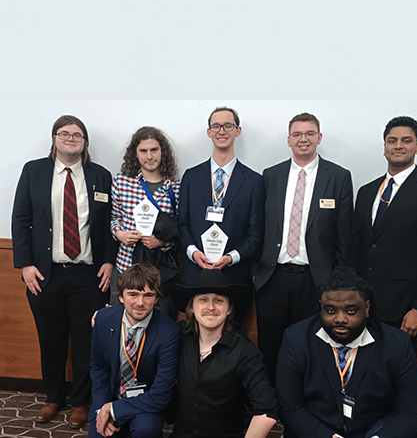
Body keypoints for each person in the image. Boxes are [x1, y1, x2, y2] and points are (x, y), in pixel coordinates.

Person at [12, 114, 118, 428]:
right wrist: (26, 264)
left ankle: (81, 402)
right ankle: (53, 398)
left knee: (87, 341)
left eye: (77, 135)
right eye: (64, 133)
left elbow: (108, 226)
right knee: (51, 338)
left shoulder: (100, 175)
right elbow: (21, 219)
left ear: (85, 143)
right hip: (45, 273)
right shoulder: (35, 171)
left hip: (89, 275)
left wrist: (109, 261)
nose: (70, 138)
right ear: (54, 138)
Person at [254, 112, 353, 384]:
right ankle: (271, 404)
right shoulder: (270, 175)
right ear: (288, 140)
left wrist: (339, 283)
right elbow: (259, 227)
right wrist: (255, 270)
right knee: (270, 346)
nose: (303, 139)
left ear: (319, 138)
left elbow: (344, 237)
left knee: (312, 346)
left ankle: (305, 403)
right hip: (272, 277)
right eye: (297, 134)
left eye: (310, 133)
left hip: (316, 280)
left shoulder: (338, 177)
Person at [276, 266, 417, 438]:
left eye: (351, 311)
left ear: (366, 307)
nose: (340, 319)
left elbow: (414, 413)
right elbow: (291, 407)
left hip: (373, 431)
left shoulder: (396, 344)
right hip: (315, 432)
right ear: (320, 307)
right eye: (330, 311)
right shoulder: (296, 339)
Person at [349, 115, 417, 356]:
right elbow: (357, 248)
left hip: (405, 309)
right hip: (362, 306)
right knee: (360, 374)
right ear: (384, 147)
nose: (398, 145)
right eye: (392, 140)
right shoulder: (366, 191)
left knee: (397, 377)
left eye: (406, 140)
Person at [178, 107, 264, 319]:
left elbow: (255, 235)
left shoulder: (254, 181)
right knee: (193, 341)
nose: (221, 130)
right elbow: (182, 225)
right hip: (195, 274)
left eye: (228, 125)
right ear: (209, 132)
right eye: (216, 126)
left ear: (238, 130)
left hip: (233, 277)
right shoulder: (191, 176)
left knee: (230, 344)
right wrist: (193, 253)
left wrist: (230, 258)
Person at [170, 269, 278, 438]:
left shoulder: (246, 352)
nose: (211, 307)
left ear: (229, 309)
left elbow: (267, 412)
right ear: (191, 307)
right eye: (203, 300)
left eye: (219, 300)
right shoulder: (178, 336)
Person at [89, 263, 180, 438]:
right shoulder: (102, 319)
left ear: (156, 298)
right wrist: (101, 408)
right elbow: (99, 367)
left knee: (146, 430)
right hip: (110, 398)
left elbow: (161, 394)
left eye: (148, 295)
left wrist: (113, 409)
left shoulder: (169, 332)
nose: (140, 303)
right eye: (133, 294)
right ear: (121, 296)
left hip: (147, 404)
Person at [110, 126, 180, 319]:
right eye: (143, 151)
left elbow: (179, 229)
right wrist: (120, 234)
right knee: (119, 324)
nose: (149, 156)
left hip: (158, 272)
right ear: (135, 154)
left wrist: (162, 242)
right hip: (125, 265)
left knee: (159, 326)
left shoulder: (174, 188)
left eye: (154, 150)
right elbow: (114, 218)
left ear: (162, 152)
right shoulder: (122, 182)